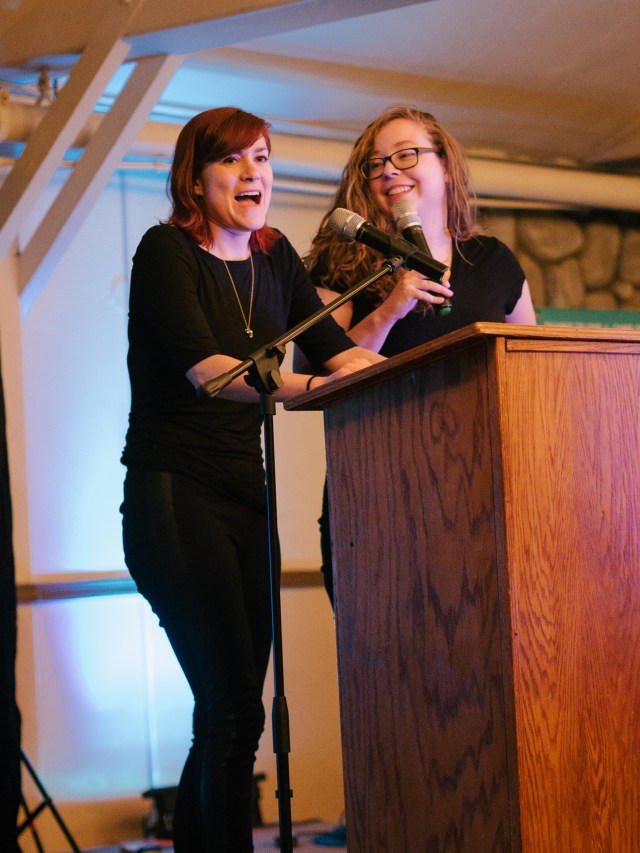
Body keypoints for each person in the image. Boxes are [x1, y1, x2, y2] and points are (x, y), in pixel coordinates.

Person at [119, 106, 383, 853]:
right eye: (233, 160)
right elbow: (210, 372)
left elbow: (339, 355)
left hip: (245, 495)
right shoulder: (165, 252)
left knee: (231, 709)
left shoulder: (275, 259)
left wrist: (406, 355)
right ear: (196, 180)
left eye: (262, 159)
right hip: (174, 494)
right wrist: (303, 392)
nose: (253, 174)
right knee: (234, 706)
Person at [302, 104, 536, 605]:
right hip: (373, 486)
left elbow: (531, 371)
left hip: (480, 488)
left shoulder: (493, 262)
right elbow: (319, 373)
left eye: (406, 154)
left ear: (446, 167)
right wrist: (390, 308)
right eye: (376, 162)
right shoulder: (341, 263)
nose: (389, 170)